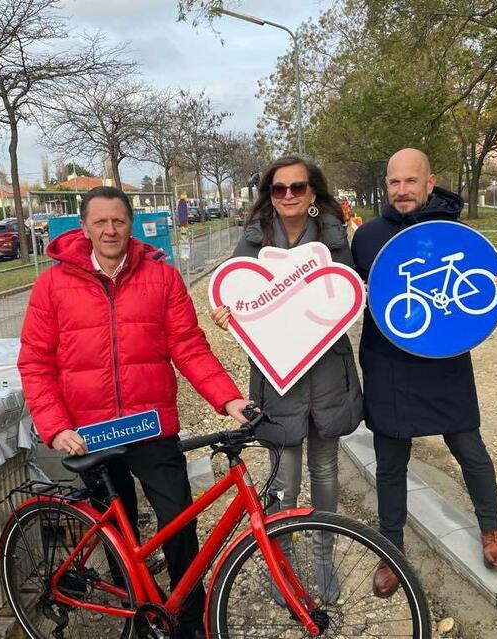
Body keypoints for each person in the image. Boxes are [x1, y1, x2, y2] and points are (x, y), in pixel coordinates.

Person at [17, 186, 251, 639]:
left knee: (178, 521)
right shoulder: (53, 284)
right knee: (116, 531)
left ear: (130, 224)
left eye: (118, 221)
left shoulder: (161, 278)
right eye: (100, 222)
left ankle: (189, 622)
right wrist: (56, 426)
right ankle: (138, 614)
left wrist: (228, 398)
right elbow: (36, 362)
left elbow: (188, 346)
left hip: (150, 424)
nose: (110, 230)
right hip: (91, 433)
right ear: (83, 228)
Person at [351, 148, 497, 598]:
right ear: (386, 185)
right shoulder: (365, 238)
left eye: (410, 181)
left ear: (429, 182)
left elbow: (481, 280)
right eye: (393, 182)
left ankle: (491, 531)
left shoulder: (454, 231)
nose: (401, 190)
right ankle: (391, 548)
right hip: (389, 363)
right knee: (390, 461)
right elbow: (345, 294)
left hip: (444, 361)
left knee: (470, 449)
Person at [211, 156, 363, 603]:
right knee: (284, 475)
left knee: (326, 469)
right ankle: (284, 564)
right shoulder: (256, 234)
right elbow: (235, 292)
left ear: (314, 192)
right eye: (280, 189)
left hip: (326, 369)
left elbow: (348, 290)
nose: (290, 195)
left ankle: (323, 559)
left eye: (299, 187)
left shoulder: (334, 233)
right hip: (277, 371)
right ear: (269, 194)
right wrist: (226, 314)